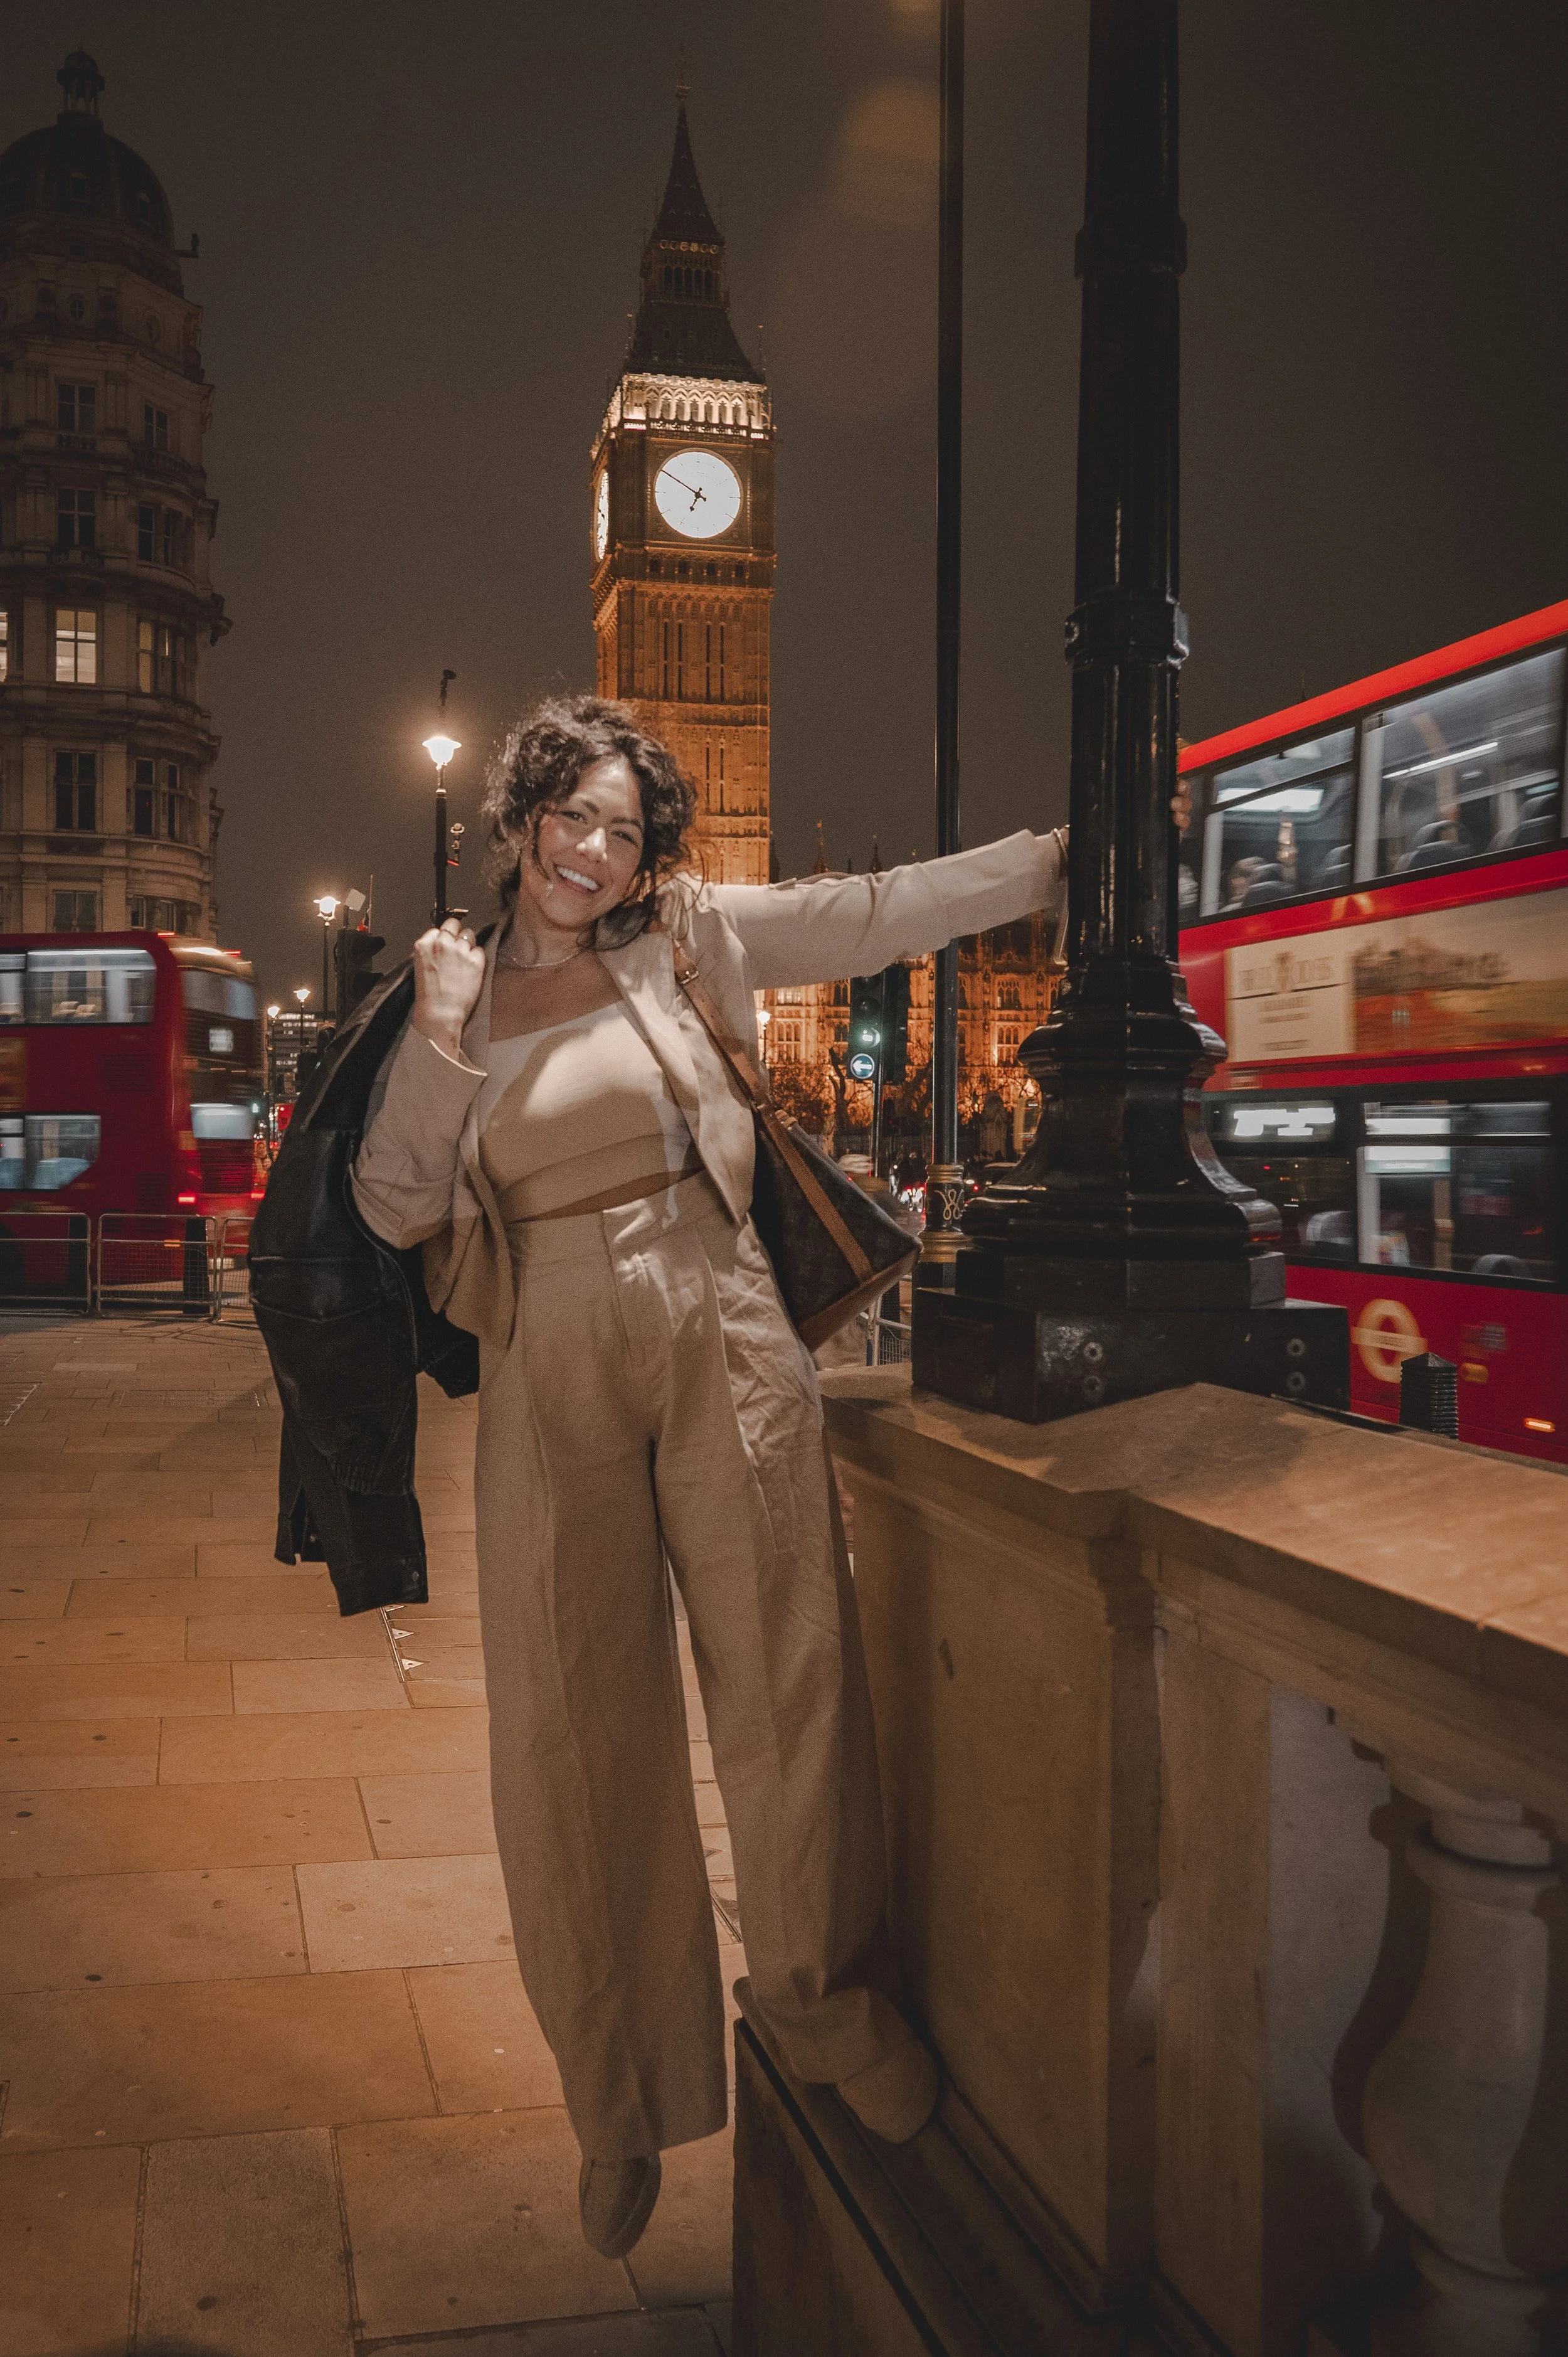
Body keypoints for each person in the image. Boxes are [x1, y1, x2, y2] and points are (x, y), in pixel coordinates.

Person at [351, 693, 1184, 2261]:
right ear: (520, 816)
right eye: (571, 817)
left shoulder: (687, 938)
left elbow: (865, 913)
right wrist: (446, 1027)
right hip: (547, 1363)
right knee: (570, 1735)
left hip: (717, 1312)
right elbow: (399, 1201)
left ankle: (818, 2002)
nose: (595, 851)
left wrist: (1056, 858)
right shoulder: (449, 991)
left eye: (623, 826)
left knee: (790, 1674)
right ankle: (615, 2096)